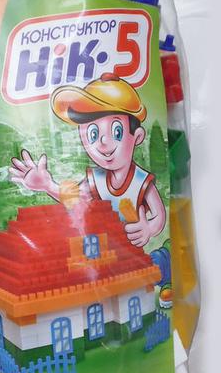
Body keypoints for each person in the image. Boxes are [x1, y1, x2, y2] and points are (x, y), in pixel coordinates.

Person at [9, 73, 166, 248]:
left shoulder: (141, 180)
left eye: (117, 132)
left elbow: (159, 217)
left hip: (133, 252)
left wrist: (148, 229)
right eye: (93, 134)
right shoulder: (96, 179)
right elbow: (74, 199)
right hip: (104, 249)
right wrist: (47, 185)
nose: (103, 142)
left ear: (137, 136)